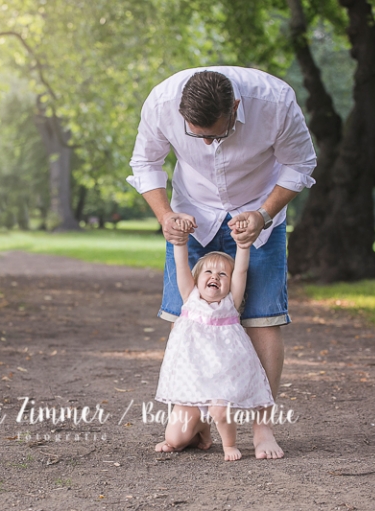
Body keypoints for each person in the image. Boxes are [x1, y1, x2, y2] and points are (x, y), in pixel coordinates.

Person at [128, 67, 317, 459]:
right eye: (197, 135)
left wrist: (263, 214)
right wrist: (166, 217)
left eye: (216, 134)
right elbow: (145, 163)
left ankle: (262, 428)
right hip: (192, 213)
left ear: (235, 108)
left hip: (258, 211)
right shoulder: (161, 102)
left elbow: (300, 164)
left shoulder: (276, 101)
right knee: (185, 316)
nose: (208, 143)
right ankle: (195, 419)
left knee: (263, 319)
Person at [155, 216, 274, 460]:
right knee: (174, 440)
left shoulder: (231, 303)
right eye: (208, 272)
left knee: (220, 410)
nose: (215, 277)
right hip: (193, 378)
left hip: (223, 375)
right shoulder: (190, 298)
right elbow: (181, 265)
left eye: (222, 274)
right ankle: (202, 428)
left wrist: (243, 246)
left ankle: (229, 444)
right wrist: (180, 242)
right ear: (197, 279)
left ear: (230, 283)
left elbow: (240, 269)